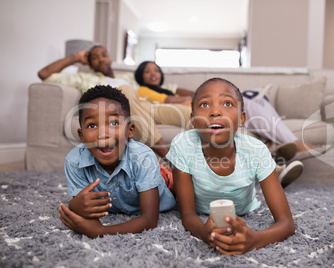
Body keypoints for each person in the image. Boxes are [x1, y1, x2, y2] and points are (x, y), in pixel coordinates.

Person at [166, 77, 295, 255]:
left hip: (246, 208)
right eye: (204, 105)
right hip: (200, 210)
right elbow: (188, 214)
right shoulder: (182, 145)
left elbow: (287, 224)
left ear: (242, 119)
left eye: (227, 103)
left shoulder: (256, 150)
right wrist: (204, 232)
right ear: (193, 120)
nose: (215, 111)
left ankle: (275, 169)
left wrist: (254, 240)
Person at [134, 61, 305, 185]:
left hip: (197, 110)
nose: (153, 73)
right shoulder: (142, 90)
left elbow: (196, 93)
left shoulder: (171, 87)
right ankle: (273, 166)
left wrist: (202, 98)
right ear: (140, 76)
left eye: (156, 70)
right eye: (147, 71)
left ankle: (269, 153)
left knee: (239, 116)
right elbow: (173, 99)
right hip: (179, 111)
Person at [58, 85, 176, 238]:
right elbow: (81, 205)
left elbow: (149, 219)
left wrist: (100, 231)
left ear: (130, 130)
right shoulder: (74, 161)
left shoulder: (143, 158)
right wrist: (75, 205)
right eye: (92, 125)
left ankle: (164, 172)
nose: (103, 134)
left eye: (113, 123)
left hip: (163, 183)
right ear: (81, 136)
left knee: (180, 183)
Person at [38, 45, 191, 158]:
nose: (100, 59)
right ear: (90, 64)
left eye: (103, 55)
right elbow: (44, 73)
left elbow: (165, 88)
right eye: (94, 58)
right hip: (117, 109)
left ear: (109, 58)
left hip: (146, 106)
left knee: (189, 114)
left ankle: (212, 157)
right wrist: (76, 58)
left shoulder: (129, 78)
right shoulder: (85, 78)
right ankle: (169, 159)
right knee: (125, 90)